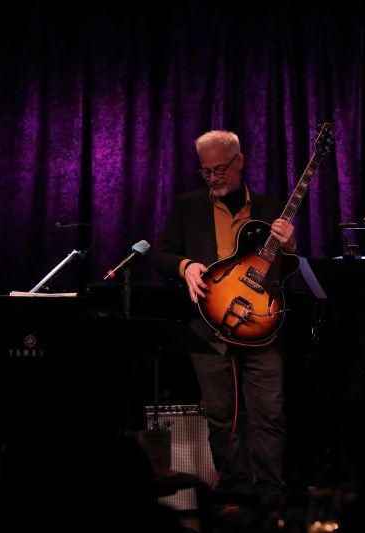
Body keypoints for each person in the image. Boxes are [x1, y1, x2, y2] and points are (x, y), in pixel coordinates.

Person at [151, 130, 296, 494]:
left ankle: (269, 492)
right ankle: (234, 494)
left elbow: (287, 268)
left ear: (239, 162)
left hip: (261, 326)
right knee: (220, 418)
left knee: (269, 415)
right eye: (205, 172)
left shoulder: (271, 206)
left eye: (219, 170)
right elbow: (160, 253)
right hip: (208, 328)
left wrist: (290, 244)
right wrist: (185, 266)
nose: (213, 178)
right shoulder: (189, 205)